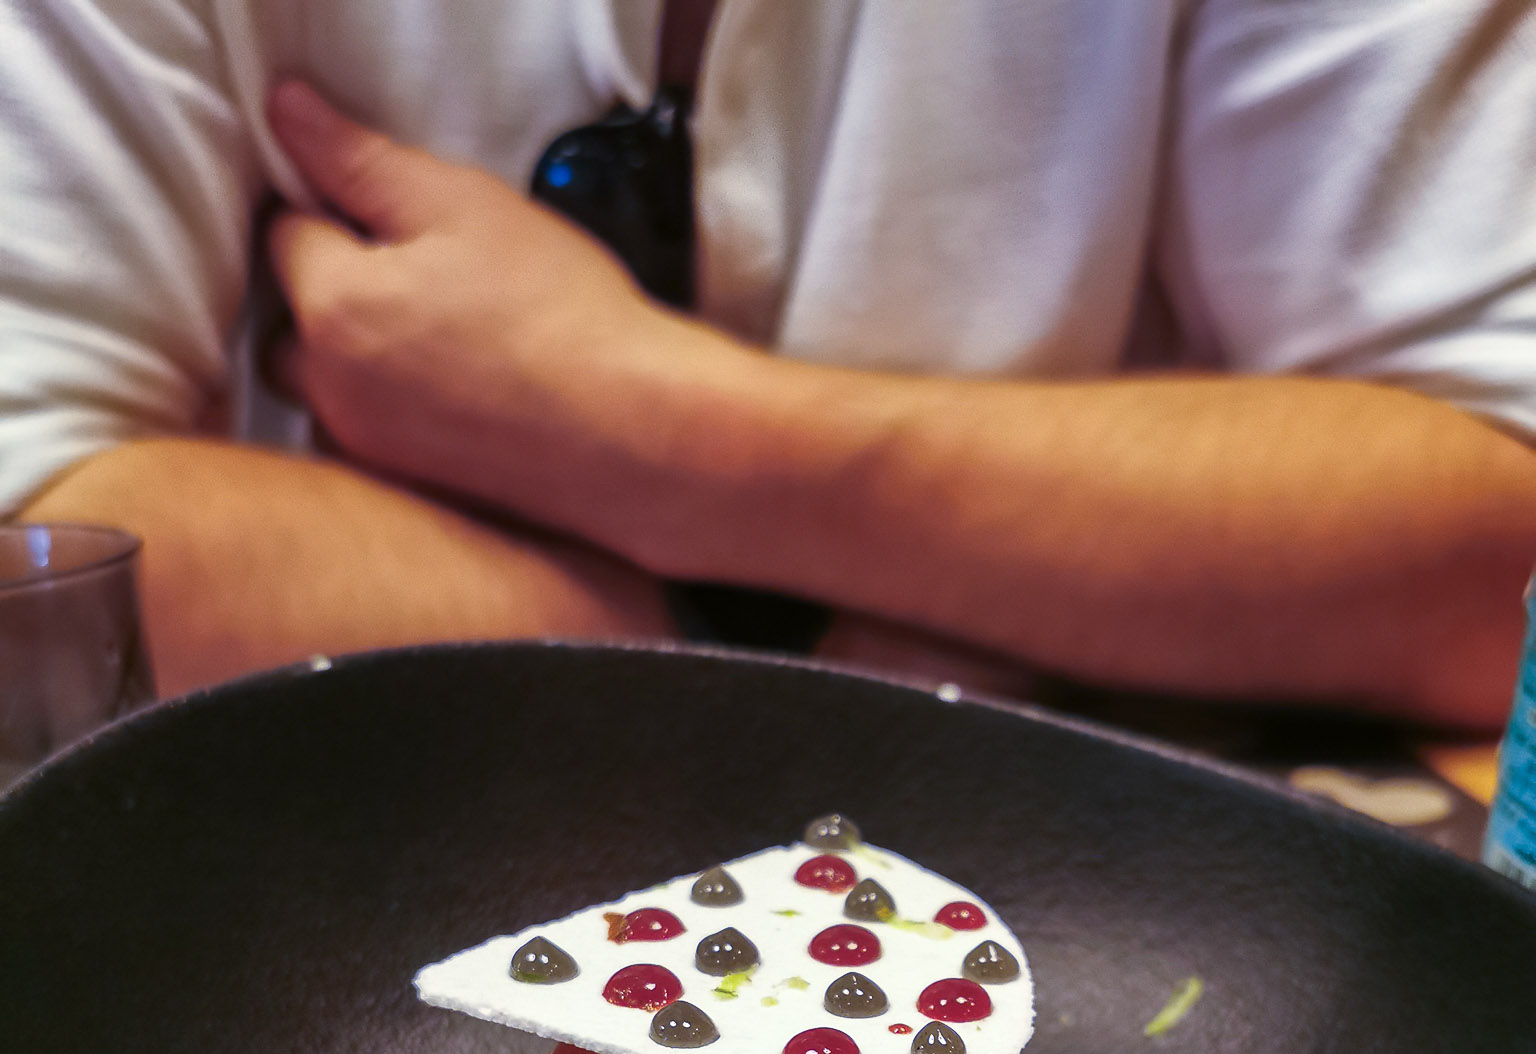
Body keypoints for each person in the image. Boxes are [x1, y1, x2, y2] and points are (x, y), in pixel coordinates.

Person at [6, 0, 1536, 726]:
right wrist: (955, 618)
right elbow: (45, 584)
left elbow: (1495, 563)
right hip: (327, 910)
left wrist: (656, 437)